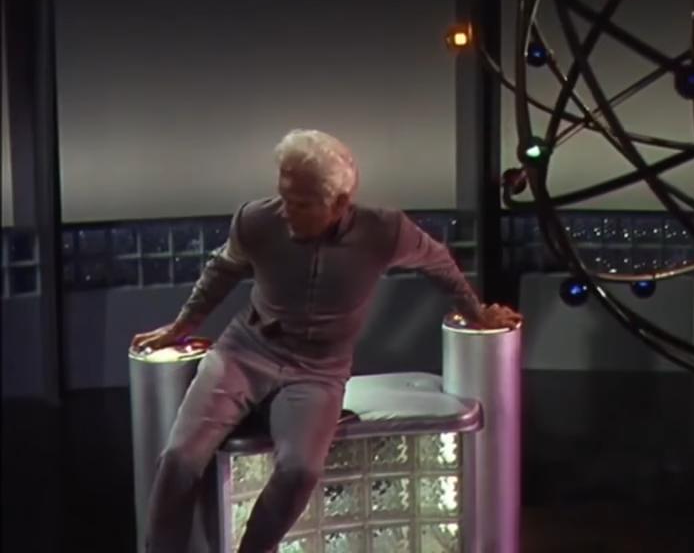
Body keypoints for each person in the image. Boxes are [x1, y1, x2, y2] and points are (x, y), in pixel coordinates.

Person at [132, 128, 522, 553]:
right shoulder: (256, 220)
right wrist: (182, 326)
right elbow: (221, 270)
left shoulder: (384, 230)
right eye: (283, 196)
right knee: (180, 458)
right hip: (244, 352)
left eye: (300, 204)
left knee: (299, 470)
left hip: (317, 372)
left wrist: (475, 311)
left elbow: (438, 262)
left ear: (338, 202)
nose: (286, 212)